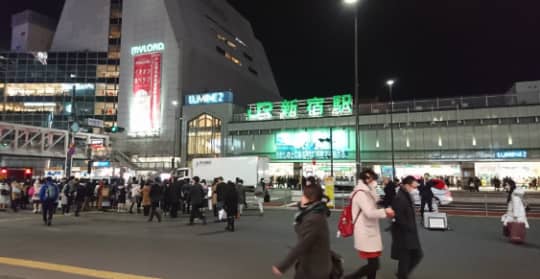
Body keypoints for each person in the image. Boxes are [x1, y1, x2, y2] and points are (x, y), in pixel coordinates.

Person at [272, 183, 331, 279]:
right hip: (310, 265)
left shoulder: (313, 218)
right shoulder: (313, 213)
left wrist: (282, 266)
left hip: (314, 268)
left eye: (303, 196)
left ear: (311, 198)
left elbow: (302, 245)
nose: (301, 198)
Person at [345, 169, 395, 279]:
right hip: (365, 231)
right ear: (364, 179)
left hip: (369, 230)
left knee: (373, 263)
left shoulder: (367, 191)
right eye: (369, 178)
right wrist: (385, 212)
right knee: (374, 264)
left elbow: (378, 198)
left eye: (373, 178)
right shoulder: (361, 194)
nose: (372, 181)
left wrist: (374, 188)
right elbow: (369, 213)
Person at [391, 176, 423, 279]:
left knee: (411, 257)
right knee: (409, 257)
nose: (414, 190)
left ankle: (401, 275)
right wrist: (408, 227)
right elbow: (398, 217)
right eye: (412, 187)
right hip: (404, 235)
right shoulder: (400, 197)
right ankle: (401, 276)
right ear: (406, 185)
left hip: (408, 233)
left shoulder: (405, 195)